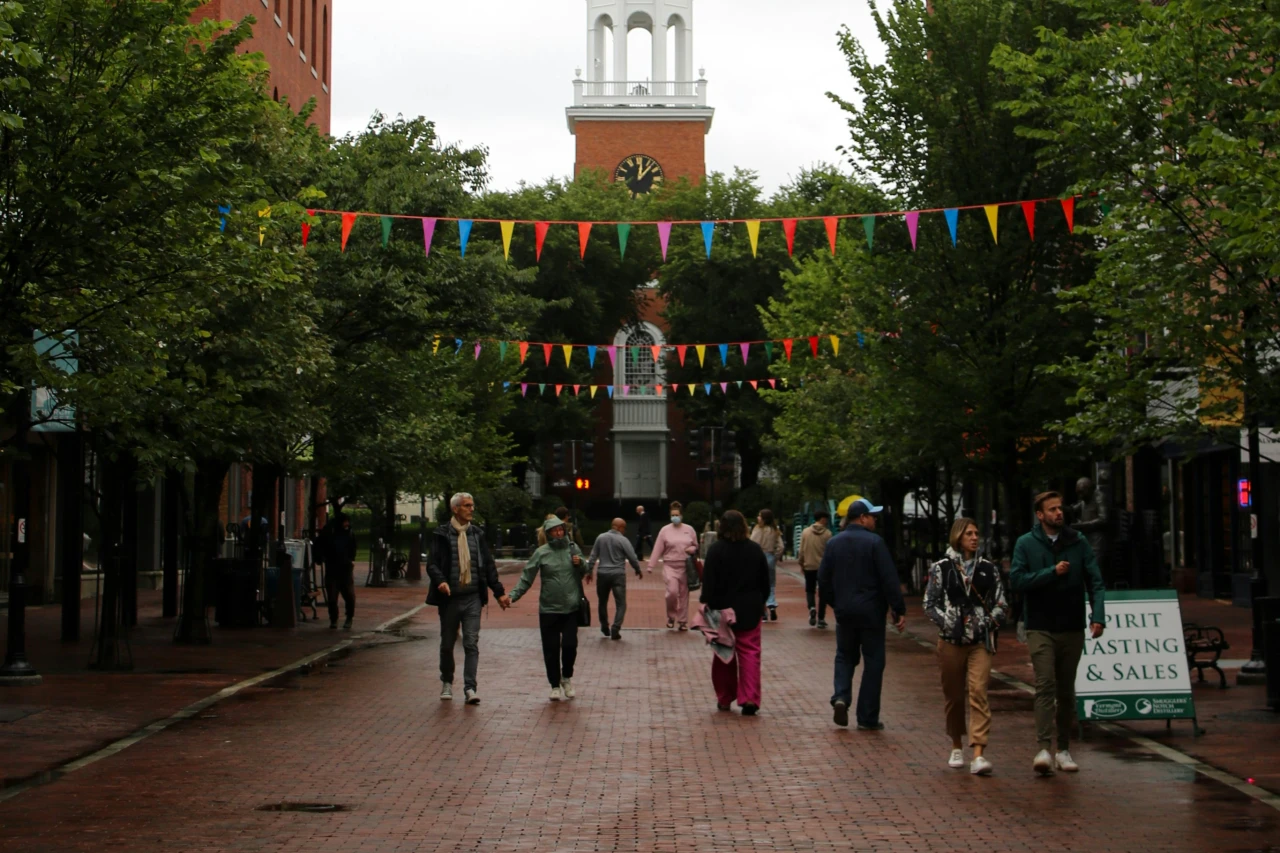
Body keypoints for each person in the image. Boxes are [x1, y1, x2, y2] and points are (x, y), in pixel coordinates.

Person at [1010, 491, 1106, 776]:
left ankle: (1063, 749)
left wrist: (1097, 617)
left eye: (1059, 508)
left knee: (1066, 690)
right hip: (1039, 625)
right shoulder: (1026, 544)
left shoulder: (1077, 542)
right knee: (1045, 683)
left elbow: (1096, 582)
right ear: (1040, 515)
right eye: (1051, 510)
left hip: (1071, 625)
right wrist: (1051, 572)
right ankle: (1043, 748)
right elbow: (1017, 580)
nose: (1058, 513)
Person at [924, 518, 1007, 776]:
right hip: (950, 642)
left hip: (979, 642)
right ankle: (956, 744)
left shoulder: (988, 569)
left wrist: (987, 621)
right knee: (954, 696)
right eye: (969, 533)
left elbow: (1001, 603)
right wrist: (947, 622)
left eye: (976, 533)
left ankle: (979, 752)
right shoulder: (942, 568)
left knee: (978, 691)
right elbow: (930, 603)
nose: (974, 537)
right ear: (958, 537)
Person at [818, 499, 907, 730]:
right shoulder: (875, 543)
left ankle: (841, 696)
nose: (875, 520)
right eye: (872, 516)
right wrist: (898, 609)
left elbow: (823, 579)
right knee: (874, 661)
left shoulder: (833, 543)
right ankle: (867, 717)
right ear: (862, 518)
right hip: (871, 612)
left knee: (845, 656)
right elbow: (889, 579)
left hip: (845, 611)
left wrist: (835, 603)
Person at [426, 492, 511, 705]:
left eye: (472, 505)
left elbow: (489, 566)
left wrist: (498, 592)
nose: (471, 509)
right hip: (450, 599)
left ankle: (470, 688)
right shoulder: (441, 534)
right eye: (466, 506)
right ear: (455, 509)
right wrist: (441, 581)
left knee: (471, 643)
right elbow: (432, 564)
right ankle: (447, 681)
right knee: (447, 644)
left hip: (473, 597)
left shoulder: (477, 535)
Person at [699, 510, 771, 715]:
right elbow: (764, 583)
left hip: (721, 609)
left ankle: (724, 697)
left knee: (723, 655)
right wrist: (761, 601)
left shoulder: (715, 550)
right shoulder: (755, 550)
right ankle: (749, 698)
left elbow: (709, 583)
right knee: (750, 653)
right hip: (749, 608)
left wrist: (708, 603)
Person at [509, 518, 588, 701]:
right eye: (555, 531)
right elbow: (527, 576)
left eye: (561, 530)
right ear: (548, 534)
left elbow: (585, 570)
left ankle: (566, 677)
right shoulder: (541, 553)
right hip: (549, 608)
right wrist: (513, 596)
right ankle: (554, 684)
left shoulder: (572, 549)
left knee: (570, 645)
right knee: (551, 649)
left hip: (571, 607)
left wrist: (580, 564)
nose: (559, 533)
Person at [586, 518, 643, 640]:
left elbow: (593, 555)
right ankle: (616, 628)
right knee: (621, 603)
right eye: (624, 528)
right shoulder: (623, 540)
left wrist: (589, 570)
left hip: (602, 573)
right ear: (620, 527)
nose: (625, 531)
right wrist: (637, 569)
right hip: (618, 574)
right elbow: (632, 557)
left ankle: (604, 625)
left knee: (602, 601)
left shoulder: (600, 538)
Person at [648, 501, 700, 630]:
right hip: (670, 565)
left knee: (683, 594)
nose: (674, 517)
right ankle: (671, 615)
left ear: (681, 515)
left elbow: (695, 545)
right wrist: (651, 565)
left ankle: (682, 621)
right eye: (672, 515)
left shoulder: (689, 530)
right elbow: (658, 548)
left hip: (685, 566)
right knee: (672, 592)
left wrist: (692, 549)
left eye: (677, 515)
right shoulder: (665, 530)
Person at [322, 513, 358, 630]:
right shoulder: (330, 533)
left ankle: (348, 617)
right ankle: (334, 619)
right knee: (332, 597)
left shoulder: (349, 533)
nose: (347, 524)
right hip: (333, 568)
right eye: (345, 522)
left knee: (349, 595)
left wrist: (350, 560)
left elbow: (353, 548)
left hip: (344, 568)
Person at [750, 509, 786, 622]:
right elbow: (781, 547)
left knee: (758, 585)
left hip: (758, 557)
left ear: (764, 518)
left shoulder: (757, 529)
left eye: (759, 516)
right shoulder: (775, 530)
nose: (758, 518)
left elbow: (752, 543)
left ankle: (763, 612)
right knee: (770, 583)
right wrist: (775, 557)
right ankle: (771, 603)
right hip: (770, 557)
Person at [799, 511, 833, 629]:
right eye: (826, 518)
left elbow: (801, 550)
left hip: (809, 565)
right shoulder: (828, 534)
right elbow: (830, 553)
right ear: (823, 519)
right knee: (823, 593)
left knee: (810, 590)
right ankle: (821, 619)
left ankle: (812, 607)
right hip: (823, 567)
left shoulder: (805, 532)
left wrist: (801, 563)